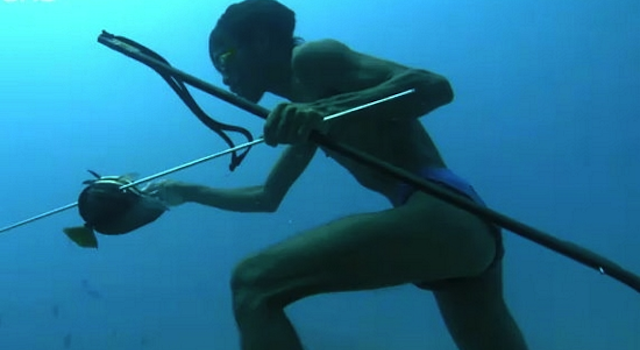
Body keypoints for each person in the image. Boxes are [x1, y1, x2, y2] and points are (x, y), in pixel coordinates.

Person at [144, 1, 529, 349]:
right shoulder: (305, 111)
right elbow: (266, 197)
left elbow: (434, 86)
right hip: (460, 227)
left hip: (441, 206)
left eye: (224, 56)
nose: (222, 73)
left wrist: (327, 110)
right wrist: (188, 190)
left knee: (253, 283)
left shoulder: (312, 59)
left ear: (260, 40)